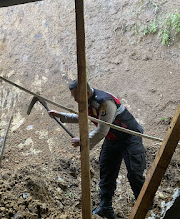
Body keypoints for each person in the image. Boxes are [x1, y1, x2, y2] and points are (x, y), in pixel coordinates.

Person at [48, 79, 146, 219]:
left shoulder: (105, 102)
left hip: (129, 137)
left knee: (135, 172)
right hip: (112, 139)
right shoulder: (87, 101)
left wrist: (83, 142)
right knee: (106, 172)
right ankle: (105, 207)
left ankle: (145, 205)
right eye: (73, 96)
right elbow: (82, 117)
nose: (75, 100)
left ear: (87, 92)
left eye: (76, 96)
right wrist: (61, 115)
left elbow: (102, 130)